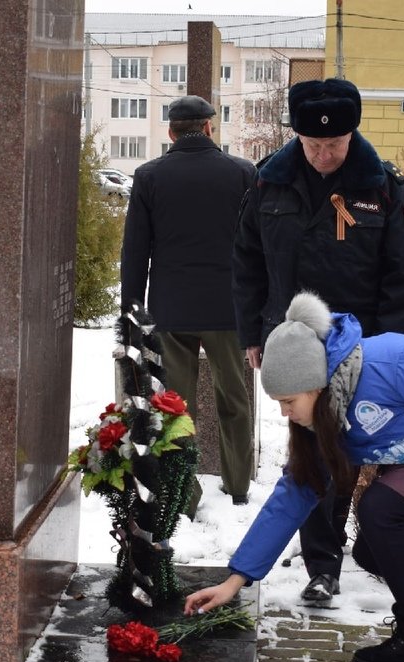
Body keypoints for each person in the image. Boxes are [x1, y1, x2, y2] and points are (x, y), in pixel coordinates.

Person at [184, 292, 404, 662]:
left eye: (288, 401)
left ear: (314, 383)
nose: (284, 413)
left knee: (379, 510)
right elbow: (295, 493)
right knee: (373, 550)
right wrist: (237, 580)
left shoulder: (392, 363)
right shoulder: (325, 412)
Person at [232, 77, 404, 603]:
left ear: (351, 135)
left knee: (340, 450)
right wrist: (253, 332)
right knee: (309, 451)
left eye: (334, 146)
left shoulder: (382, 186)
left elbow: (403, 276)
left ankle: (332, 554)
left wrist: (388, 349)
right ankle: (323, 560)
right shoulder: (269, 182)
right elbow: (247, 261)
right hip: (290, 341)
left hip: (358, 346)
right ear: (297, 137)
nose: (323, 155)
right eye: (313, 145)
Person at [120, 95, 257, 506]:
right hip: (228, 311)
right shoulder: (243, 173)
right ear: (211, 128)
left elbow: (135, 251)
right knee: (235, 399)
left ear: (170, 131)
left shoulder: (149, 176)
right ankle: (237, 485)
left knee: (175, 409)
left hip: (171, 311)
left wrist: (133, 314)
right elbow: (257, 246)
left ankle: (185, 493)